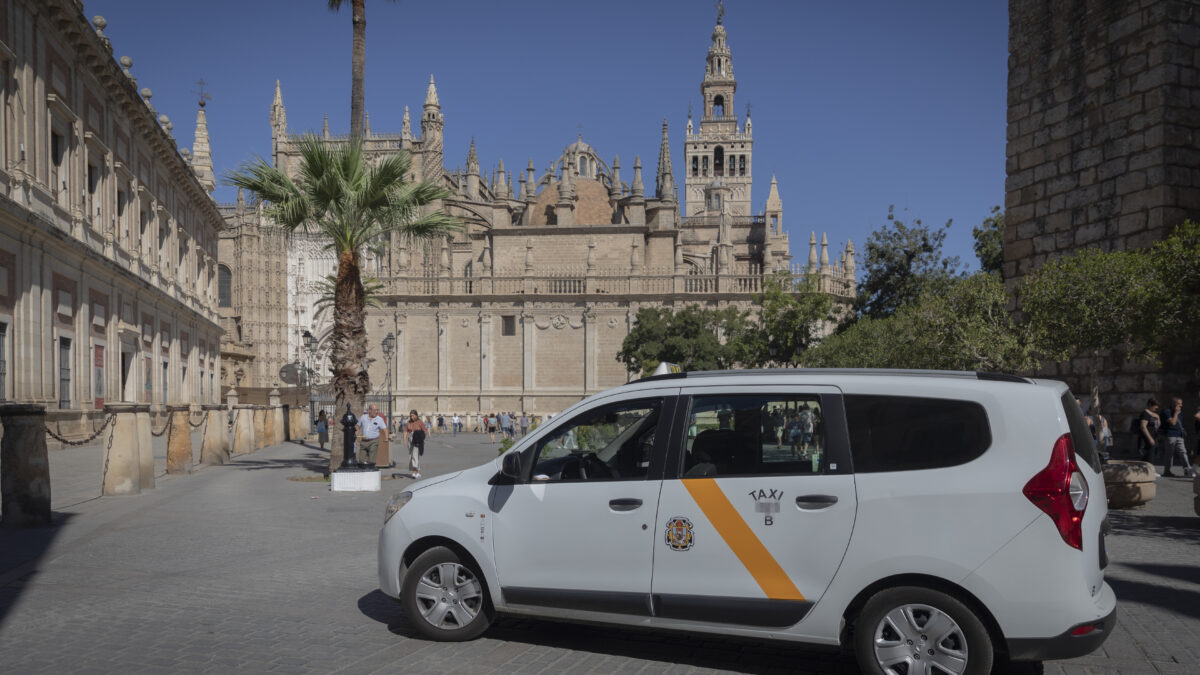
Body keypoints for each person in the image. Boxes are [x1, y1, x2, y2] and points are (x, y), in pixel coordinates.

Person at [1159, 397, 1194, 478]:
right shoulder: (1166, 412)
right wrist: (1176, 413)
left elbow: (1179, 424)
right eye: (1179, 404)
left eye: (1181, 403)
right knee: (1169, 454)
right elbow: (1173, 423)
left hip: (1179, 435)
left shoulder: (1179, 413)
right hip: (1170, 435)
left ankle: (1187, 470)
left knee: (1183, 452)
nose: (1181, 405)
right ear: (1174, 404)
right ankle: (1167, 471)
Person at [1136, 398, 1161, 462]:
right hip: (1146, 440)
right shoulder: (1145, 414)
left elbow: (1158, 426)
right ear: (1150, 404)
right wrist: (1150, 438)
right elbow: (1143, 426)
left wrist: (1158, 418)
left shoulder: (1153, 414)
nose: (1157, 407)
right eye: (1155, 405)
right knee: (1148, 459)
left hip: (1153, 438)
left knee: (1152, 457)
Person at [405, 409, 427, 479]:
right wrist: (404, 440)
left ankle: (415, 472)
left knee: (415, 456)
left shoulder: (420, 422)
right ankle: (417, 472)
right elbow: (405, 431)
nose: (411, 417)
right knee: (411, 456)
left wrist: (417, 434)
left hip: (417, 440)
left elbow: (424, 431)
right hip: (410, 440)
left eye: (413, 416)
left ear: (416, 415)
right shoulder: (408, 422)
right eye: (411, 416)